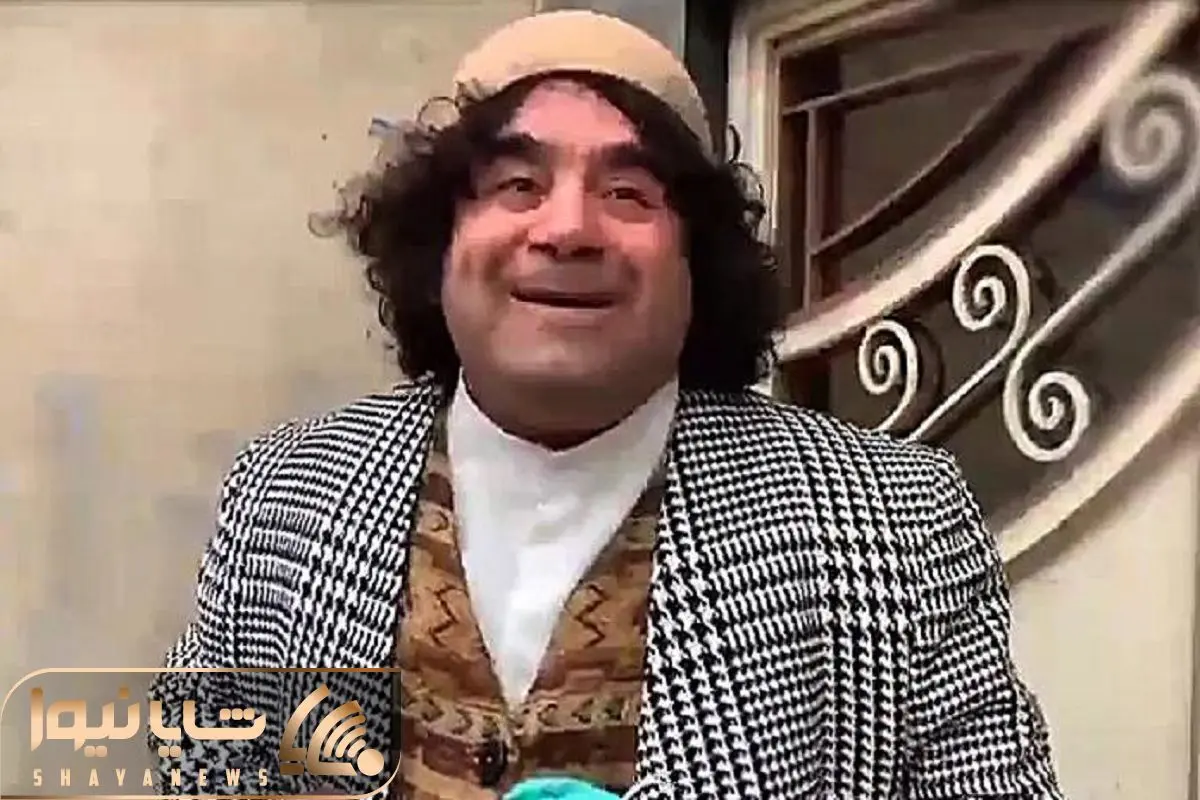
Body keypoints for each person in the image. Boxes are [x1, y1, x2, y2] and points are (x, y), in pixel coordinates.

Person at [148, 9, 1066, 800]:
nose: (568, 229)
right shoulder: (283, 493)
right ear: (438, 242)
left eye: (628, 193)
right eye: (518, 185)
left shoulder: (895, 525)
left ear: (697, 263)